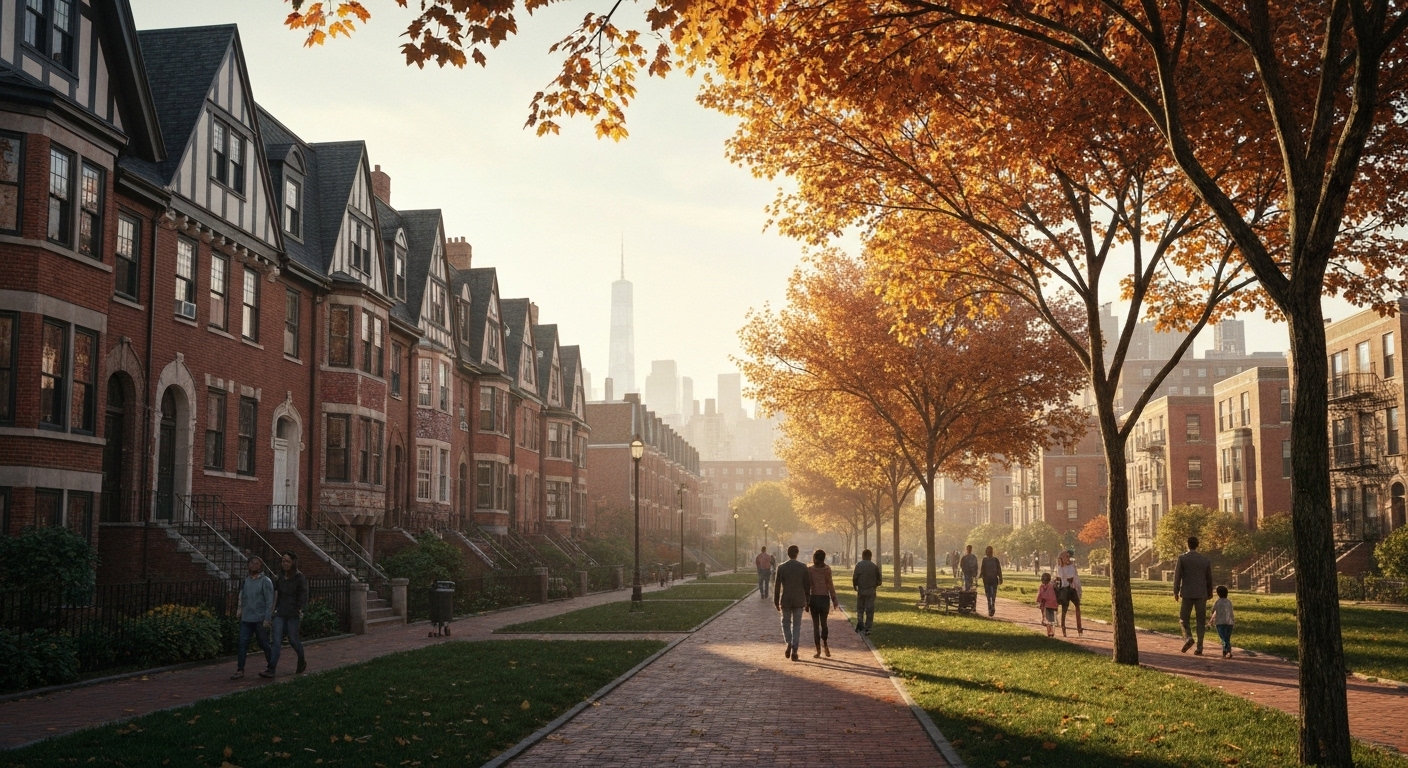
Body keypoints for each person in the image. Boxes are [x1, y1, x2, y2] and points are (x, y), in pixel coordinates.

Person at [262, 551, 309, 678]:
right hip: (280, 613)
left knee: (293, 640)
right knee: (276, 641)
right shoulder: (280, 578)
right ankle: (271, 669)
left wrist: (299, 607)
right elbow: (276, 594)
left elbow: (303, 594)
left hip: (293, 613)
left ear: (293, 562)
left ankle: (301, 661)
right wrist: (272, 611)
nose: (285, 564)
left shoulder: (299, 578)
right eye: (283, 561)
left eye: (287, 561)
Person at [231, 556, 273, 680]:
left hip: (260, 619)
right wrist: (239, 611)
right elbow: (242, 597)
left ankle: (271, 666)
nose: (254, 565)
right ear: (248, 565)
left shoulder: (265, 581)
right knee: (242, 643)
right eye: (252, 563)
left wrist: (268, 618)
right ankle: (240, 669)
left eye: (257, 563)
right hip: (246, 618)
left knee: (264, 643)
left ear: (261, 566)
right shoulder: (246, 581)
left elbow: (269, 601)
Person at [1173, 535, 1214, 655]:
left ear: (1188, 544)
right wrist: (1209, 592)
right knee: (1200, 621)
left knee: (1183, 619)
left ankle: (1188, 637)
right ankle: (1200, 647)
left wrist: (1176, 591)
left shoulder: (1183, 558)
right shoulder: (1204, 560)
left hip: (1187, 592)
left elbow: (1177, 576)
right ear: (1197, 545)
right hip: (1201, 593)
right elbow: (1209, 578)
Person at [774, 544, 811, 661]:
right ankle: (795, 648)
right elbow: (807, 586)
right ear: (797, 553)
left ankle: (789, 641)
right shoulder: (803, 567)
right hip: (799, 599)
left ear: (788, 553)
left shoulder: (781, 567)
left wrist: (776, 600)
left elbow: (777, 586)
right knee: (797, 625)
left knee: (785, 622)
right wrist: (808, 601)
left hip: (786, 598)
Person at [808, 549, 840, 657]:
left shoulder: (810, 570)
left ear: (815, 558)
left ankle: (818, 650)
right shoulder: (827, 569)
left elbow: (808, 587)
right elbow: (830, 585)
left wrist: (806, 602)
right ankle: (825, 643)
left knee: (816, 626)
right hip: (824, 599)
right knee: (824, 623)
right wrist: (834, 599)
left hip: (814, 599)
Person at [852, 548, 881, 634]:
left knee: (860, 608)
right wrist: (875, 585)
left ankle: (860, 622)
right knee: (870, 609)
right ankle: (868, 627)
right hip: (871, 591)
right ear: (870, 556)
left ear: (863, 556)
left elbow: (855, 577)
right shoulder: (874, 566)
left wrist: (855, 586)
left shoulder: (859, 565)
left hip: (861, 590)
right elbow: (879, 580)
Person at [1055, 550, 1084, 637]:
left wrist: (1078, 588)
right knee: (1064, 609)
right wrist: (1061, 566)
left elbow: (1074, 577)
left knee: (1077, 606)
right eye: (1066, 557)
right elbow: (1061, 577)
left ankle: (1079, 627)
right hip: (1064, 589)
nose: (1068, 558)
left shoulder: (1072, 566)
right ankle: (1063, 627)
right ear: (1061, 558)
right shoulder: (1059, 567)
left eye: (1068, 556)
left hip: (1073, 589)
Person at [1210, 585, 1235, 658]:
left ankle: (1226, 651)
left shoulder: (1218, 602)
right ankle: (1227, 651)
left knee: (1223, 638)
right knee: (1227, 638)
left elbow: (1214, 611)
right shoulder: (1229, 602)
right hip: (1229, 623)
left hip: (1220, 623)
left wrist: (1211, 621)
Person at [979, 545, 1003, 617]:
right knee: (989, 595)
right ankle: (990, 606)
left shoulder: (995, 560)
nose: (988, 553)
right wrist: (980, 575)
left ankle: (991, 606)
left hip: (992, 579)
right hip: (987, 580)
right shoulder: (985, 560)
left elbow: (998, 569)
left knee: (992, 595)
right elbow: (982, 569)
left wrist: (1000, 577)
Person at [1036, 572, 1059, 638]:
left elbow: (1041, 595)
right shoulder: (1051, 587)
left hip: (1047, 605)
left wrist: (1039, 601)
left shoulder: (1042, 587)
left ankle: (1049, 632)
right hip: (1053, 605)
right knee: (1052, 620)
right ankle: (1052, 632)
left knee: (1048, 620)